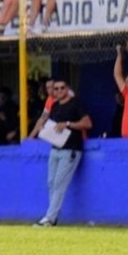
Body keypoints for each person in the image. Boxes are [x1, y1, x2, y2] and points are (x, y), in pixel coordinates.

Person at [29, 79, 91, 226]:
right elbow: (50, 124)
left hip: (71, 149)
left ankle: (49, 218)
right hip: (55, 147)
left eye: (62, 88)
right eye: (55, 89)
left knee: (59, 184)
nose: (59, 91)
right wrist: (41, 130)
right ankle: (52, 216)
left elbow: (87, 123)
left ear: (67, 88)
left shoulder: (76, 103)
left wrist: (68, 124)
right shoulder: (55, 106)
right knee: (51, 182)